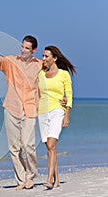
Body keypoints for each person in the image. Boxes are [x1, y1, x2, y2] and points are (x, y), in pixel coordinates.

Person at [0, 35, 42, 190]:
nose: (23, 50)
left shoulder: (40, 65)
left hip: (31, 108)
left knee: (28, 145)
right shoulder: (12, 61)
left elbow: (52, 80)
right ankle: (21, 180)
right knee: (14, 147)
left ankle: (31, 176)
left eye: (27, 48)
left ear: (33, 50)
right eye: (22, 46)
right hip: (12, 107)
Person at [38, 45, 76, 189]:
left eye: (46, 56)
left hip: (57, 111)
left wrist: (66, 116)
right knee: (49, 147)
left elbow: (70, 96)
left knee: (51, 144)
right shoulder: (40, 74)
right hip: (42, 112)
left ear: (54, 58)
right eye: (43, 56)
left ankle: (48, 179)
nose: (43, 59)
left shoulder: (63, 75)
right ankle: (57, 179)